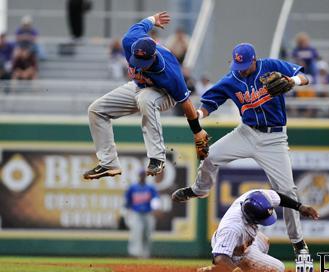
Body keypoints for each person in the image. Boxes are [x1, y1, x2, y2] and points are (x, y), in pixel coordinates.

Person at [172, 43, 311, 256]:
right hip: (246, 133)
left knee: (287, 191)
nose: (242, 69)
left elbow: (305, 77)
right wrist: (198, 115)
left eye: (245, 65)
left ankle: (298, 242)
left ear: (254, 60)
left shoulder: (271, 66)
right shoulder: (232, 79)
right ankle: (200, 189)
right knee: (211, 157)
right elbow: (209, 103)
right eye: (238, 65)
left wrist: (292, 81)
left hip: (274, 138)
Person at [83, 11, 209, 180]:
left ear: (154, 55)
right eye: (138, 61)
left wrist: (197, 131)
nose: (140, 66)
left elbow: (185, 103)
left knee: (146, 99)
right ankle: (108, 163)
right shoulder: (130, 41)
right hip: (139, 86)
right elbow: (142, 25)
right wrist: (153, 19)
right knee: (96, 110)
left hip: (164, 94)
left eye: (144, 63)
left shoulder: (170, 71)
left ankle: (157, 158)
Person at [197, 189, 318, 272]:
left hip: (244, 241)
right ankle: (228, 268)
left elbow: (278, 197)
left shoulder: (256, 196)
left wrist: (300, 207)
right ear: (251, 217)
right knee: (279, 269)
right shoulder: (233, 227)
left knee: (264, 241)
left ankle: (245, 267)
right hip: (232, 250)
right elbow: (219, 257)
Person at [124, 169, 161, 258]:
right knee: (136, 233)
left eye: (143, 175)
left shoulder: (150, 187)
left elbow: (155, 199)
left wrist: (156, 209)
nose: (142, 177)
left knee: (147, 234)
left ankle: (145, 254)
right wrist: (125, 212)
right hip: (136, 213)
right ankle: (134, 253)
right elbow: (127, 202)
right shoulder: (133, 187)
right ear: (139, 176)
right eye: (141, 175)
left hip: (148, 214)